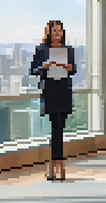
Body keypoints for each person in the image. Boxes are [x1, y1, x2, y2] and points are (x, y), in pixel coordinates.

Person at [30, 20, 76, 181]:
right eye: (54, 31)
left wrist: (70, 68)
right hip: (50, 91)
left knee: (60, 128)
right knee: (56, 127)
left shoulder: (69, 50)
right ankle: (56, 165)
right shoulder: (41, 50)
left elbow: (74, 69)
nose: (57, 33)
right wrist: (43, 67)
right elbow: (33, 71)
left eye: (60, 30)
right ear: (49, 32)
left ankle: (57, 166)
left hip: (64, 90)